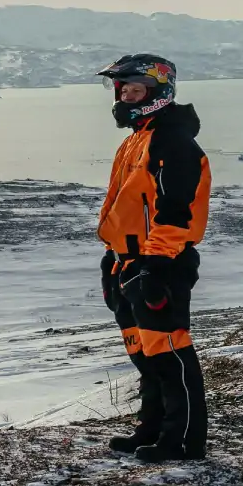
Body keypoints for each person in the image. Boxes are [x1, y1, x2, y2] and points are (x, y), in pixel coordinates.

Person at [95, 55, 210, 462]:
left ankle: (182, 441)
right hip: (128, 261)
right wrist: (115, 257)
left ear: (159, 92)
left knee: (171, 353)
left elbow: (175, 211)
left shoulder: (171, 141)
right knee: (145, 356)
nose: (126, 98)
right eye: (123, 90)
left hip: (160, 262)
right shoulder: (137, 138)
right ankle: (152, 427)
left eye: (135, 90)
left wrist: (155, 265)